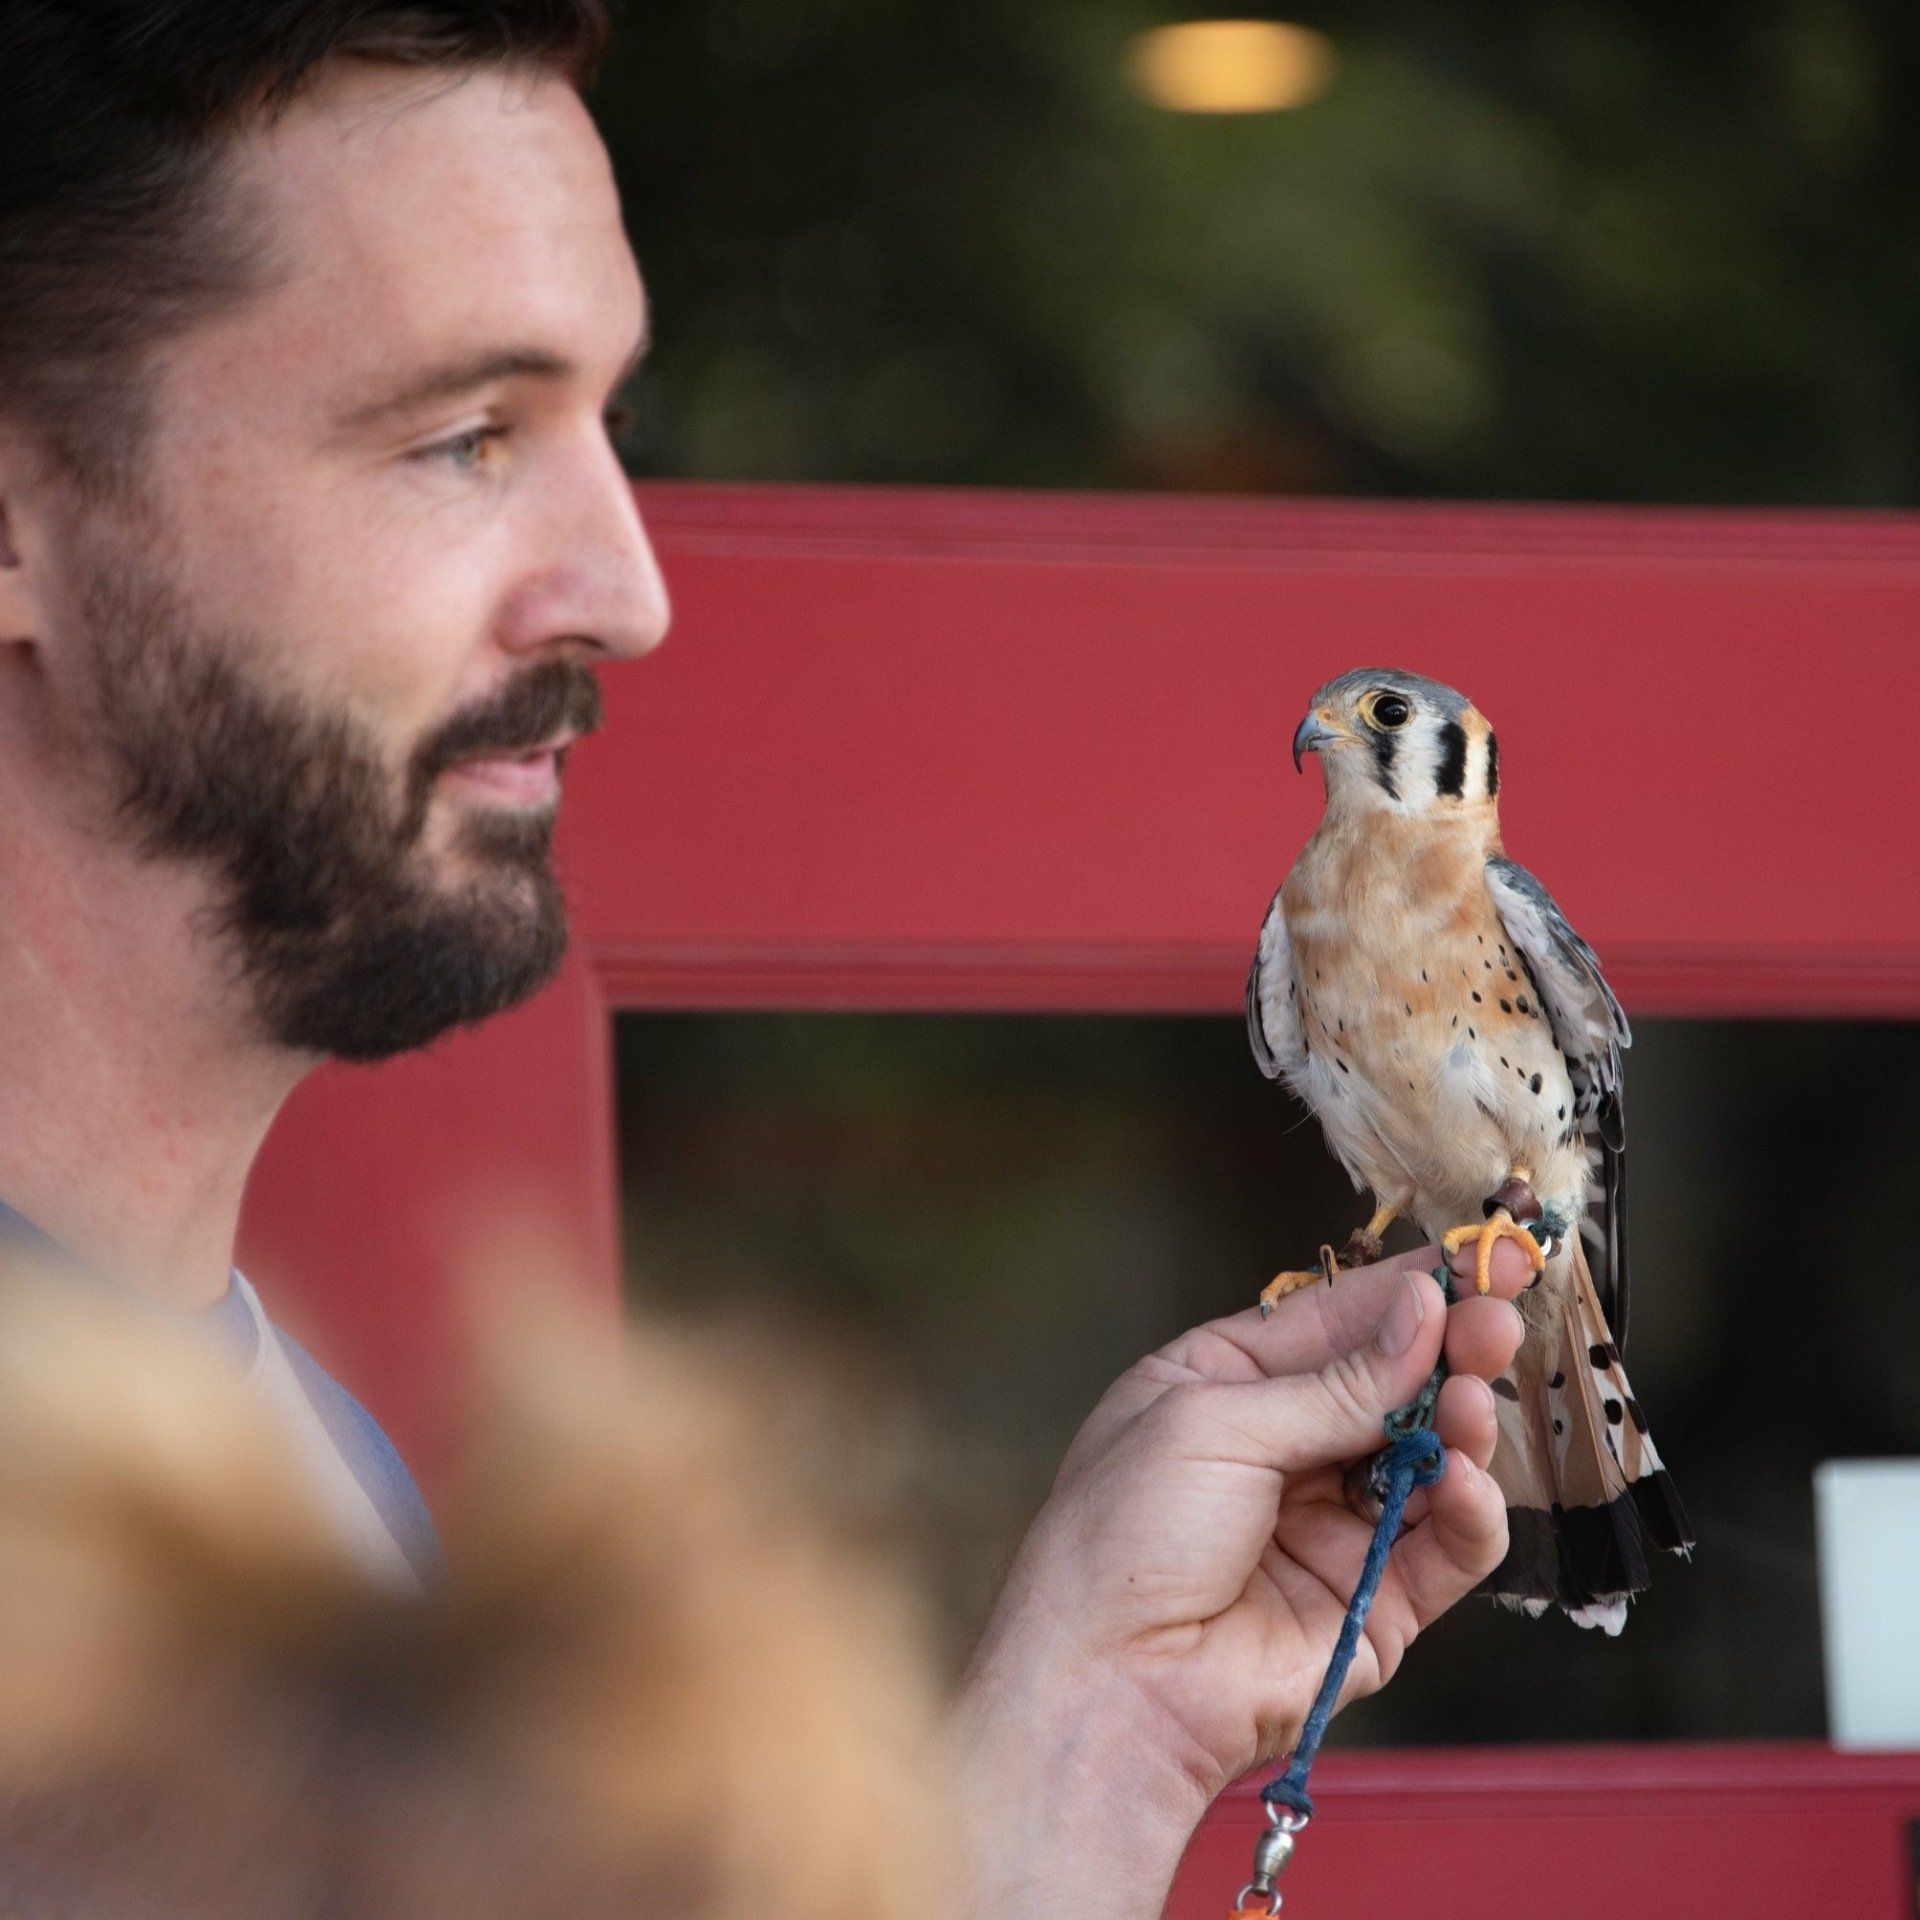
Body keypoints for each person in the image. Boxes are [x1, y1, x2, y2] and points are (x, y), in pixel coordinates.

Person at [0, 5, 1530, 1915]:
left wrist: (1081, 1736)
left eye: (607, 426)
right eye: (464, 435)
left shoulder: (294, 1464)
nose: (628, 593)